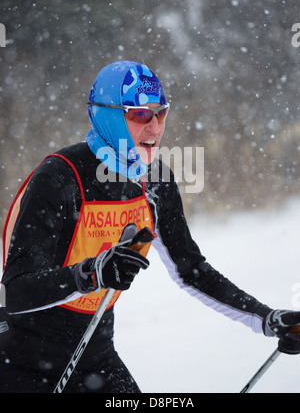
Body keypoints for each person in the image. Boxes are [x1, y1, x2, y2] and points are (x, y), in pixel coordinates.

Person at [1, 60, 300, 393]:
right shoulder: (61, 178)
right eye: (139, 114)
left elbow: (192, 270)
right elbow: (16, 292)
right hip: (23, 362)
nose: (155, 128)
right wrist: (90, 274)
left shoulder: (155, 182)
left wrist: (265, 318)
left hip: (96, 360)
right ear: (109, 116)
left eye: (161, 113)